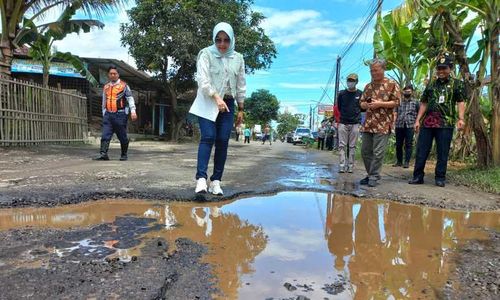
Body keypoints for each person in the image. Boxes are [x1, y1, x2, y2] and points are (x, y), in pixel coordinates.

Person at [189, 22, 246, 195]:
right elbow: (203, 80)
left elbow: (241, 84)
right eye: (218, 40)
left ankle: (216, 181)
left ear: (231, 40)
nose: (222, 44)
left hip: (228, 103)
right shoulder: (206, 54)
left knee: (222, 141)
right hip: (208, 101)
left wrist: (241, 108)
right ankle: (201, 179)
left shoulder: (238, 58)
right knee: (208, 137)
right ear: (214, 39)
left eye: (226, 40)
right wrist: (216, 97)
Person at [409, 53, 465, 187]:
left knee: (442, 152)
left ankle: (440, 177)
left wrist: (461, 118)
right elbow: (423, 103)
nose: (440, 71)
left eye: (444, 68)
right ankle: (418, 177)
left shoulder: (457, 84)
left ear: (450, 68)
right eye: (439, 68)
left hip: (446, 123)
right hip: (427, 123)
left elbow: (460, 101)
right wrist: (417, 120)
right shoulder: (431, 85)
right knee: (421, 150)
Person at [359, 59, 401, 187]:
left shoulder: (392, 84)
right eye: (371, 70)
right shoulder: (368, 86)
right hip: (368, 123)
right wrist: (365, 105)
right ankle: (370, 174)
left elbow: (397, 102)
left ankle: (374, 176)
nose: (373, 73)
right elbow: (361, 103)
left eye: (376, 70)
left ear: (383, 69)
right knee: (365, 151)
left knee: (378, 152)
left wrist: (380, 104)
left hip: (383, 124)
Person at [94, 66, 137, 161]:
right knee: (105, 135)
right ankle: (103, 154)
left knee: (122, 136)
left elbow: (130, 98)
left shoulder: (124, 86)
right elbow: (104, 100)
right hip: (108, 115)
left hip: (120, 115)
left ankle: (124, 154)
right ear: (108, 75)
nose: (113, 75)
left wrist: (133, 111)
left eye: (115, 73)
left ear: (118, 75)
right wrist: (104, 112)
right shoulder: (106, 87)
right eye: (111, 73)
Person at [337, 73, 362, 173]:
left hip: (355, 123)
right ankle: (342, 165)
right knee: (342, 145)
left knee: (352, 146)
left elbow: (362, 107)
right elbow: (339, 107)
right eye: (349, 80)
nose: (350, 82)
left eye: (352, 81)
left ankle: (350, 165)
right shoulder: (342, 94)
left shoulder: (360, 94)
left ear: (356, 82)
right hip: (343, 122)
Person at [393, 84, 419, 168]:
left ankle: (407, 162)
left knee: (408, 144)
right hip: (399, 125)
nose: (407, 93)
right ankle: (399, 161)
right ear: (403, 92)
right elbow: (395, 112)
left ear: (412, 92)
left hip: (410, 125)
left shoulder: (415, 102)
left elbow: (419, 114)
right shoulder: (399, 102)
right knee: (398, 144)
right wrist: (393, 122)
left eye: (409, 91)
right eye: (405, 91)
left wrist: (417, 123)